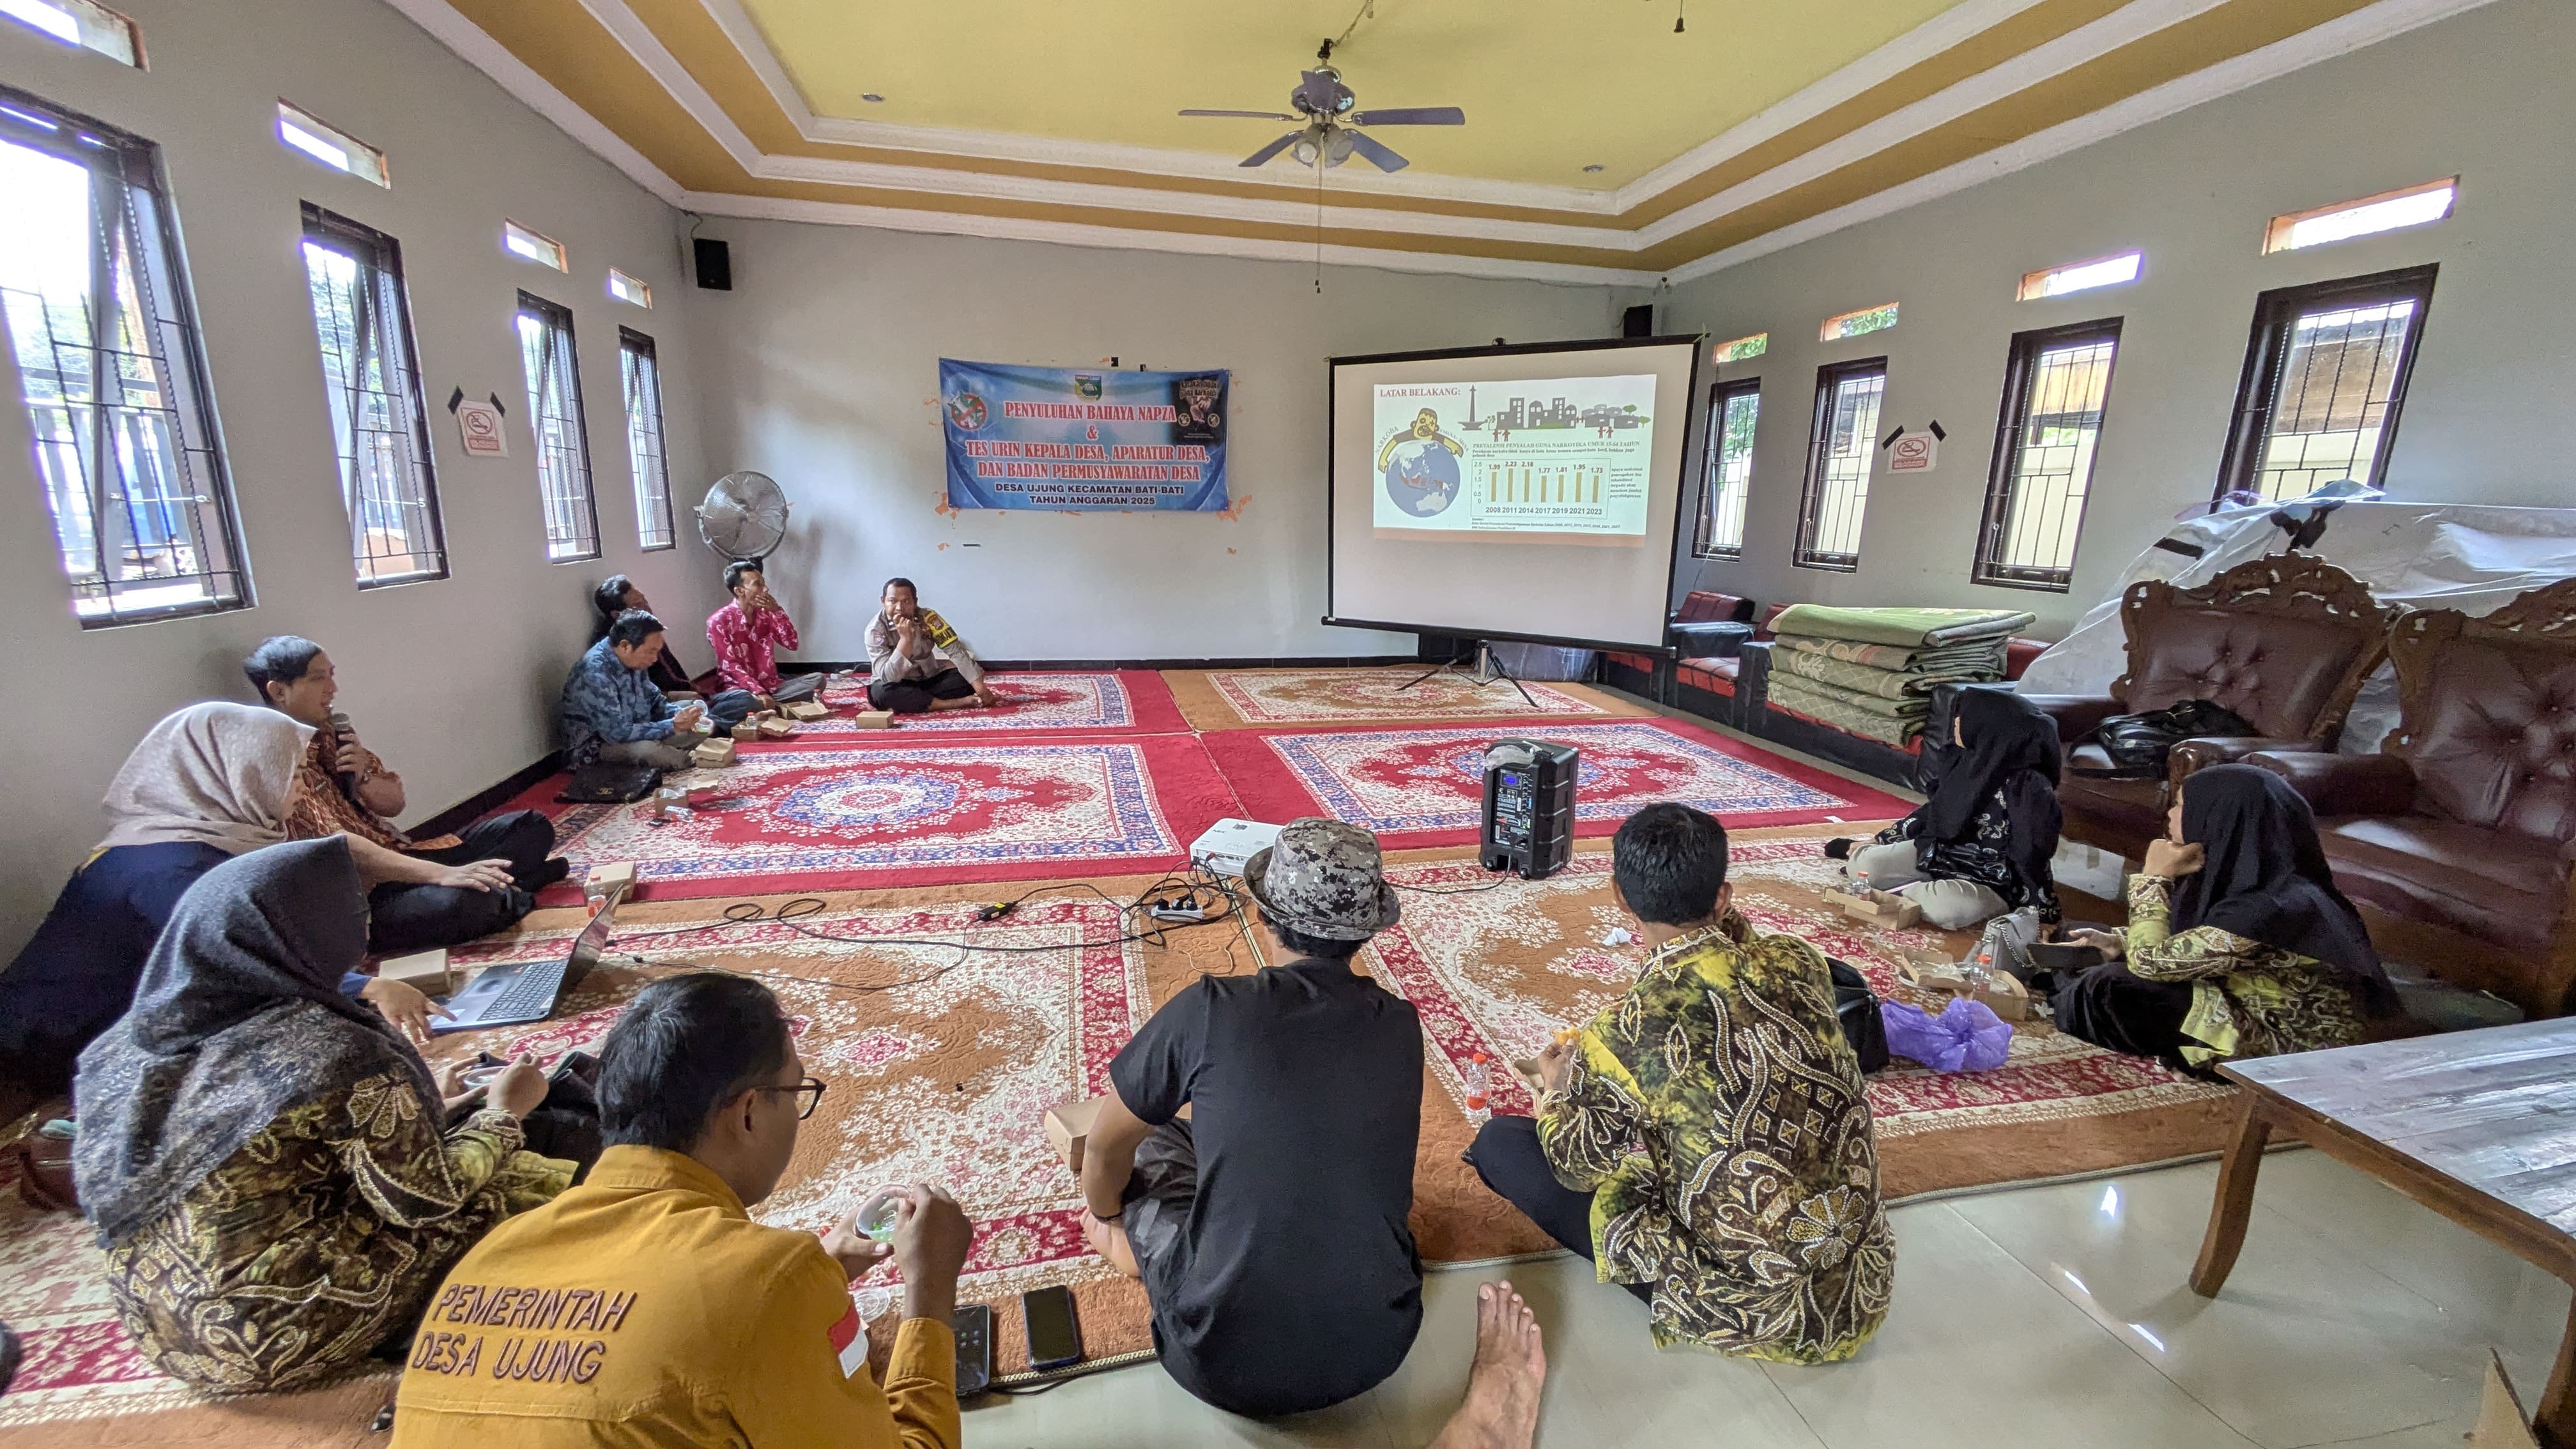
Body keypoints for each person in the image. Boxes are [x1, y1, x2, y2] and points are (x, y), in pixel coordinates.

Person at [72, 837, 574, 1394]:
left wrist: (425, 1110)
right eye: (354, 912)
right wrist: (504, 1113)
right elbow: (428, 1198)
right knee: (545, 1177)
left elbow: (266, 1152)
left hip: (165, 1332)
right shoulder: (334, 1047)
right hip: (284, 1325)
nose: (362, 930)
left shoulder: (119, 1050)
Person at [388, 972, 973, 1448]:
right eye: (797, 1092)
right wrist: (929, 1293)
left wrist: (818, 1270)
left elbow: (657, 1314)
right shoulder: (769, 1280)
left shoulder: (496, 1251)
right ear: (748, 1114)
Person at [1468, 802, 1894, 1363]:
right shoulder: (1800, 960)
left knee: (1501, 1144)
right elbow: (1740, 953)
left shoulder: (1622, 1033)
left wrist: (1554, 1093)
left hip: (1760, 1309)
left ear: (1619, 896)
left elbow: (1575, 1167)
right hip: (1859, 1289)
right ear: (1724, 896)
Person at [0, 704, 524, 1104]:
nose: (299, 791)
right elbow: (243, 964)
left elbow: (332, 851)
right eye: (291, 776)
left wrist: (441, 873)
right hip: (63, 1039)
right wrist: (369, 986)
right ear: (242, 774)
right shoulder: (166, 868)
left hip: (143, 1010)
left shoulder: (210, 833)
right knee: (314, 1045)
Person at [1078, 818, 1423, 1417]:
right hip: (1381, 1346)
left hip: (1217, 1360)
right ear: (1366, 932)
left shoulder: (1212, 1009)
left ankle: (1133, 1255)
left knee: (1152, 1144)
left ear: (1262, 914)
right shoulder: (1401, 1023)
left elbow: (1105, 1149)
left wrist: (1109, 1217)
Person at [2053, 764, 2391, 1071]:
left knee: (2108, 989)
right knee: (2080, 937)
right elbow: (2187, 941)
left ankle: (2069, 994)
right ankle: (2069, 989)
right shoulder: (2245, 878)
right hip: (2228, 993)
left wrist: (2152, 879)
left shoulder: (2272, 906)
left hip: (2290, 1050)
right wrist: (2117, 942)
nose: (2170, 815)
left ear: (2220, 817)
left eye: (2182, 805)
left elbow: (2149, 964)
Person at [246, 636, 565, 959]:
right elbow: (341, 849)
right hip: (362, 894)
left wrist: (363, 778)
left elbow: (395, 804)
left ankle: (499, 884)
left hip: (401, 855)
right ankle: (512, 886)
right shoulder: (275, 758)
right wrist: (442, 876)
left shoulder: (333, 733)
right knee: (465, 905)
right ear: (278, 691)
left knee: (531, 826)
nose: (333, 689)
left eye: (332, 674)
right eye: (318, 679)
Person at [1829, 688, 2062, 931]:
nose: (1956, 723)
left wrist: (2035, 900)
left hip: (1992, 881)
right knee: (1864, 867)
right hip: (1940, 854)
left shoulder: (2028, 786)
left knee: (1949, 909)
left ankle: (1905, 891)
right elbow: (1934, 813)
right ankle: (1870, 859)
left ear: (1988, 726)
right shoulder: (1966, 760)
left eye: (1963, 718)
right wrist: (1883, 840)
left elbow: (2032, 849)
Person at [591, 574, 757, 728]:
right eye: (639, 604)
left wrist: (691, 696)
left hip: (683, 698)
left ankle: (710, 724)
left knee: (745, 699)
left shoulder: (646, 628)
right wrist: (676, 699)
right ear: (618, 615)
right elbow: (634, 706)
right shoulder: (617, 648)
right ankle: (712, 727)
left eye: (645, 600)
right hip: (657, 711)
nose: (647, 607)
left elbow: (660, 682)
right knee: (690, 717)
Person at [559, 610, 711, 770]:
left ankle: (680, 753)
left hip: (638, 728)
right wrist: (672, 726)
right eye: (651, 651)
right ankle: (690, 760)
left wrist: (684, 716)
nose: (654, 659)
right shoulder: (595, 673)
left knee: (696, 715)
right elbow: (617, 733)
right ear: (625, 646)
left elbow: (656, 702)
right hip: (598, 747)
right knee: (649, 751)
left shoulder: (634, 660)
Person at [866, 578, 997, 714]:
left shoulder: (929, 618)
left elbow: (956, 651)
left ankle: (919, 702)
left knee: (973, 675)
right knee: (881, 693)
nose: (899, 608)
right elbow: (890, 678)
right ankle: (949, 704)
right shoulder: (875, 631)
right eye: (892, 601)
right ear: (883, 601)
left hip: (929, 680)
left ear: (915, 602)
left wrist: (981, 689)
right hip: (897, 684)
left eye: (906, 601)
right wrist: (905, 640)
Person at [707, 560, 824, 706]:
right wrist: (758, 691)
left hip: (772, 687)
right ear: (739, 591)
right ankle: (769, 705)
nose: (766, 589)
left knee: (817, 680)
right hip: (740, 689)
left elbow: (792, 643)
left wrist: (777, 612)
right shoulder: (718, 621)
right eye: (758, 584)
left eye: (764, 583)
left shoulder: (766, 614)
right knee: (745, 701)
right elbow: (730, 666)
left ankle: (768, 705)